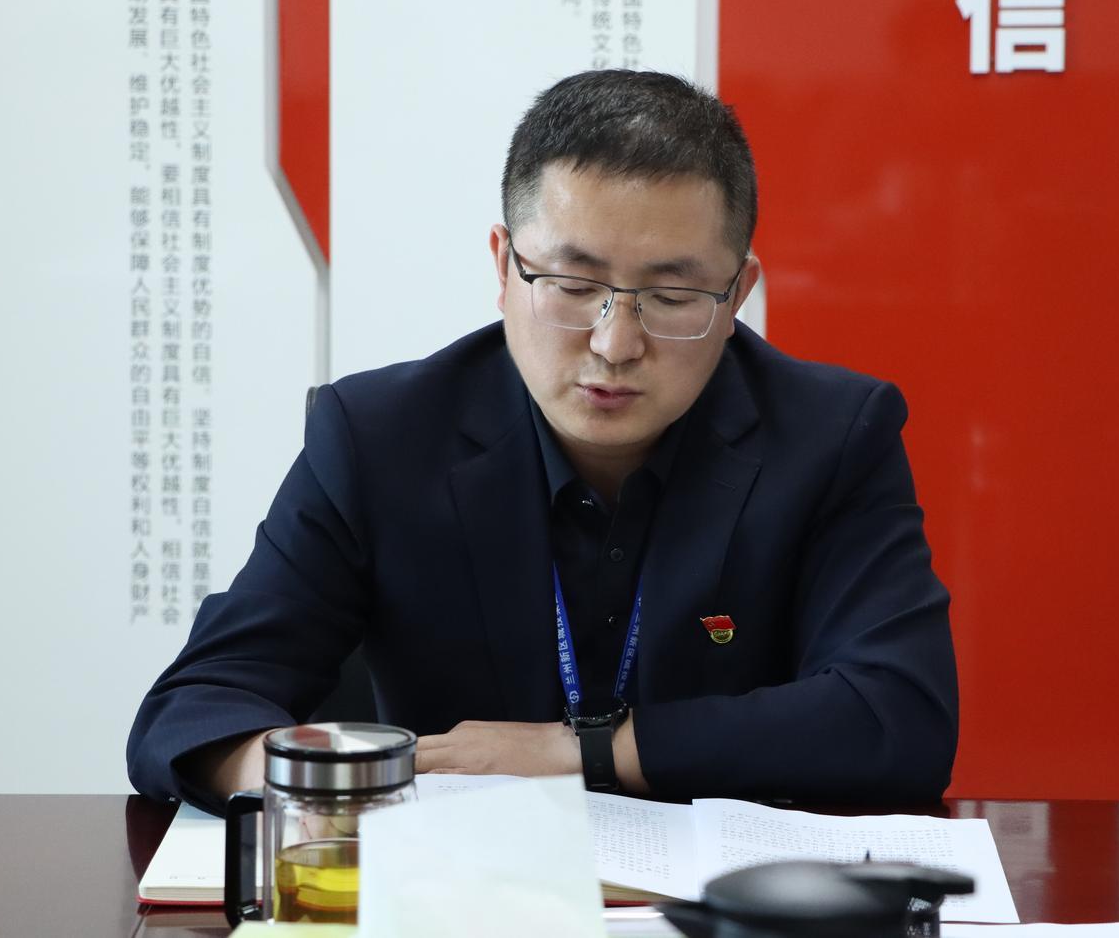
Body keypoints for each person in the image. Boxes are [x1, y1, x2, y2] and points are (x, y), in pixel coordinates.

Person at [126, 70, 957, 811]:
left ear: (738, 295)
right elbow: (194, 710)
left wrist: (583, 753)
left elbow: (900, 716)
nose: (615, 343)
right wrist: (344, 784)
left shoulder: (832, 437)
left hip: (723, 903)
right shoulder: (380, 437)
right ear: (503, 265)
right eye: (571, 284)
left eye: (672, 298)